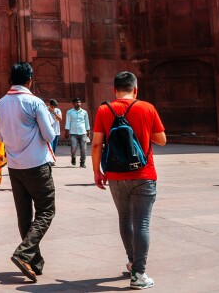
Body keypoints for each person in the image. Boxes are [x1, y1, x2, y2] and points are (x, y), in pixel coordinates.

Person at [92, 71, 166, 291]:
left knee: (125, 219)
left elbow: (96, 144)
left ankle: (133, 262)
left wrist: (97, 171)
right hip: (144, 174)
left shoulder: (104, 109)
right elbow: (161, 140)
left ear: (114, 90)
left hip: (115, 175)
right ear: (136, 89)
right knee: (142, 222)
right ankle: (139, 274)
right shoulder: (147, 108)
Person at [0, 62, 56, 282]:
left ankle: (34, 262)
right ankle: (24, 253)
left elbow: (0, 138)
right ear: (30, 79)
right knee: (46, 211)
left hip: (15, 166)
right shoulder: (34, 102)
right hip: (37, 165)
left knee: (24, 216)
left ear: (10, 80)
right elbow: (49, 136)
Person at [65, 98, 90, 167]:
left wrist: (88, 131)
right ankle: (73, 156)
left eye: (79, 102)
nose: (78, 104)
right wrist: (66, 131)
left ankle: (82, 162)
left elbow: (87, 122)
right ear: (73, 104)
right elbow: (68, 122)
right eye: (76, 102)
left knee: (83, 149)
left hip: (83, 132)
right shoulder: (69, 112)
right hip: (73, 133)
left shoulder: (84, 112)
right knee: (74, 147)